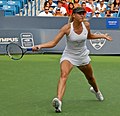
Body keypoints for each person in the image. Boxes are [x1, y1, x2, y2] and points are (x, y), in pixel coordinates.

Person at [32, 7, 112, 113]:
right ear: (73, 15)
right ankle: (58, 101)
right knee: (64, 75)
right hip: (69, 56)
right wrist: (40, 46)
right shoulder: (66, 28)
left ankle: (96, 91)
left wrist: (102, 36)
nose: (82, 15)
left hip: (82, 56)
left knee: (90, 78)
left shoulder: (86, 25)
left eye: (83, 13)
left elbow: (89, 36)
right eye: (80, 13)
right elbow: (53, 43)